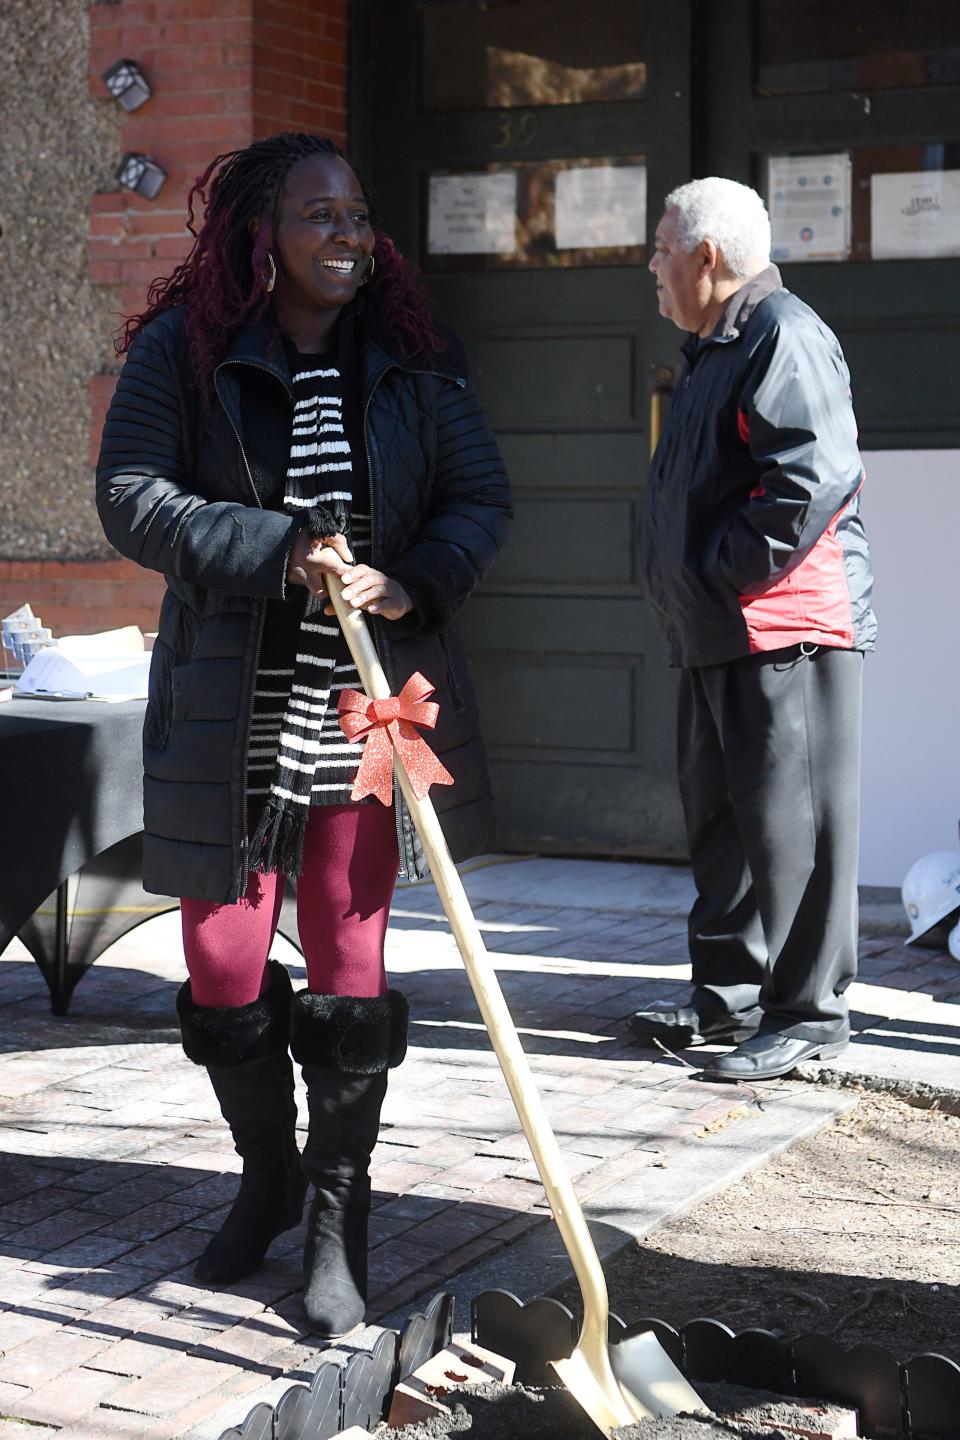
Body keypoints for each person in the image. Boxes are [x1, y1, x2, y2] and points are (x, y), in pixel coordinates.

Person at [96, 133, 511, 1334]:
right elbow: (132, 494)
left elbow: (483, 498)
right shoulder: (187, 353)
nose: (348, 235)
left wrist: (414, 577)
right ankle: (267, 1174)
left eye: (359, 214)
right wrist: (273, 550)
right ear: (258, 238)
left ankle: (338, 1213)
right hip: (228, 709)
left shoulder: (420, 362)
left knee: (349, 963)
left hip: (371, 708)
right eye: (319, 215)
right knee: (225, 969)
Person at [628, 177, 875, 1082]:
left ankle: (808, 1012)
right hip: (718, 628)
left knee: (793, 829)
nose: (650, 267)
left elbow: (808, 481)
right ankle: (729, 996)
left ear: (705, 257)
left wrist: (716, 570)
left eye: (660, 250)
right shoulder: (714, 346)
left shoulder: (784, 334)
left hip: (784, 627)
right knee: (726, 822)